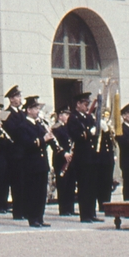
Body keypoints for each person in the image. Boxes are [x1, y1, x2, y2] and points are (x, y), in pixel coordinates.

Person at [14, 96, 53, 227]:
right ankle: (33, 217)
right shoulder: (23, 126)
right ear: (29, 110)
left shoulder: (39, 124)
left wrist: (48, 137)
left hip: (41, 163)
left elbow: (44, 142)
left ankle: (40, 216)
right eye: (36, 108)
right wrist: (44, 140)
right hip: (31, 164)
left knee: (42, 192)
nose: (38, 111)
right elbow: (27, 144)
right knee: (33, 192)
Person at [67, 92, 100, 223]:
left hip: (91, 156)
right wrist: (88, 133)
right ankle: (85, 214)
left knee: (92, 186)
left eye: (87, 104)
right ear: (78, 104)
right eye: (85, 104)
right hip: (82, 157)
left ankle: (91, 213)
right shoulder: (73, 118)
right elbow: (77, 135)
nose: (87, 107)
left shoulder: (88, 117)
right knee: (84, 186)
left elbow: (95, 131)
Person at [0, 85, 25, 219]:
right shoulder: (7, 113)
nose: (20, 99)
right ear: (11, 99)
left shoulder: (22, 113)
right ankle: (18, 212)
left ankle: (25, 209)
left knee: (25, 183)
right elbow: (13, 130)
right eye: (17, 96)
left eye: (20, 96)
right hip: (14, 154)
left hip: (24, 153)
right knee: (17, 184)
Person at [52, 106, 75, 216]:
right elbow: (56, 144)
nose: (68, 117)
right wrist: (63, 153)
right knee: (63, 184)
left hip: (70, 159)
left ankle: (70, 208)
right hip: (61, 159)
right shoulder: (56, 128)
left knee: (71, 184)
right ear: (60, 116)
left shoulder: (69, 127)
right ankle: (64, 208)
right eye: (66, 114)